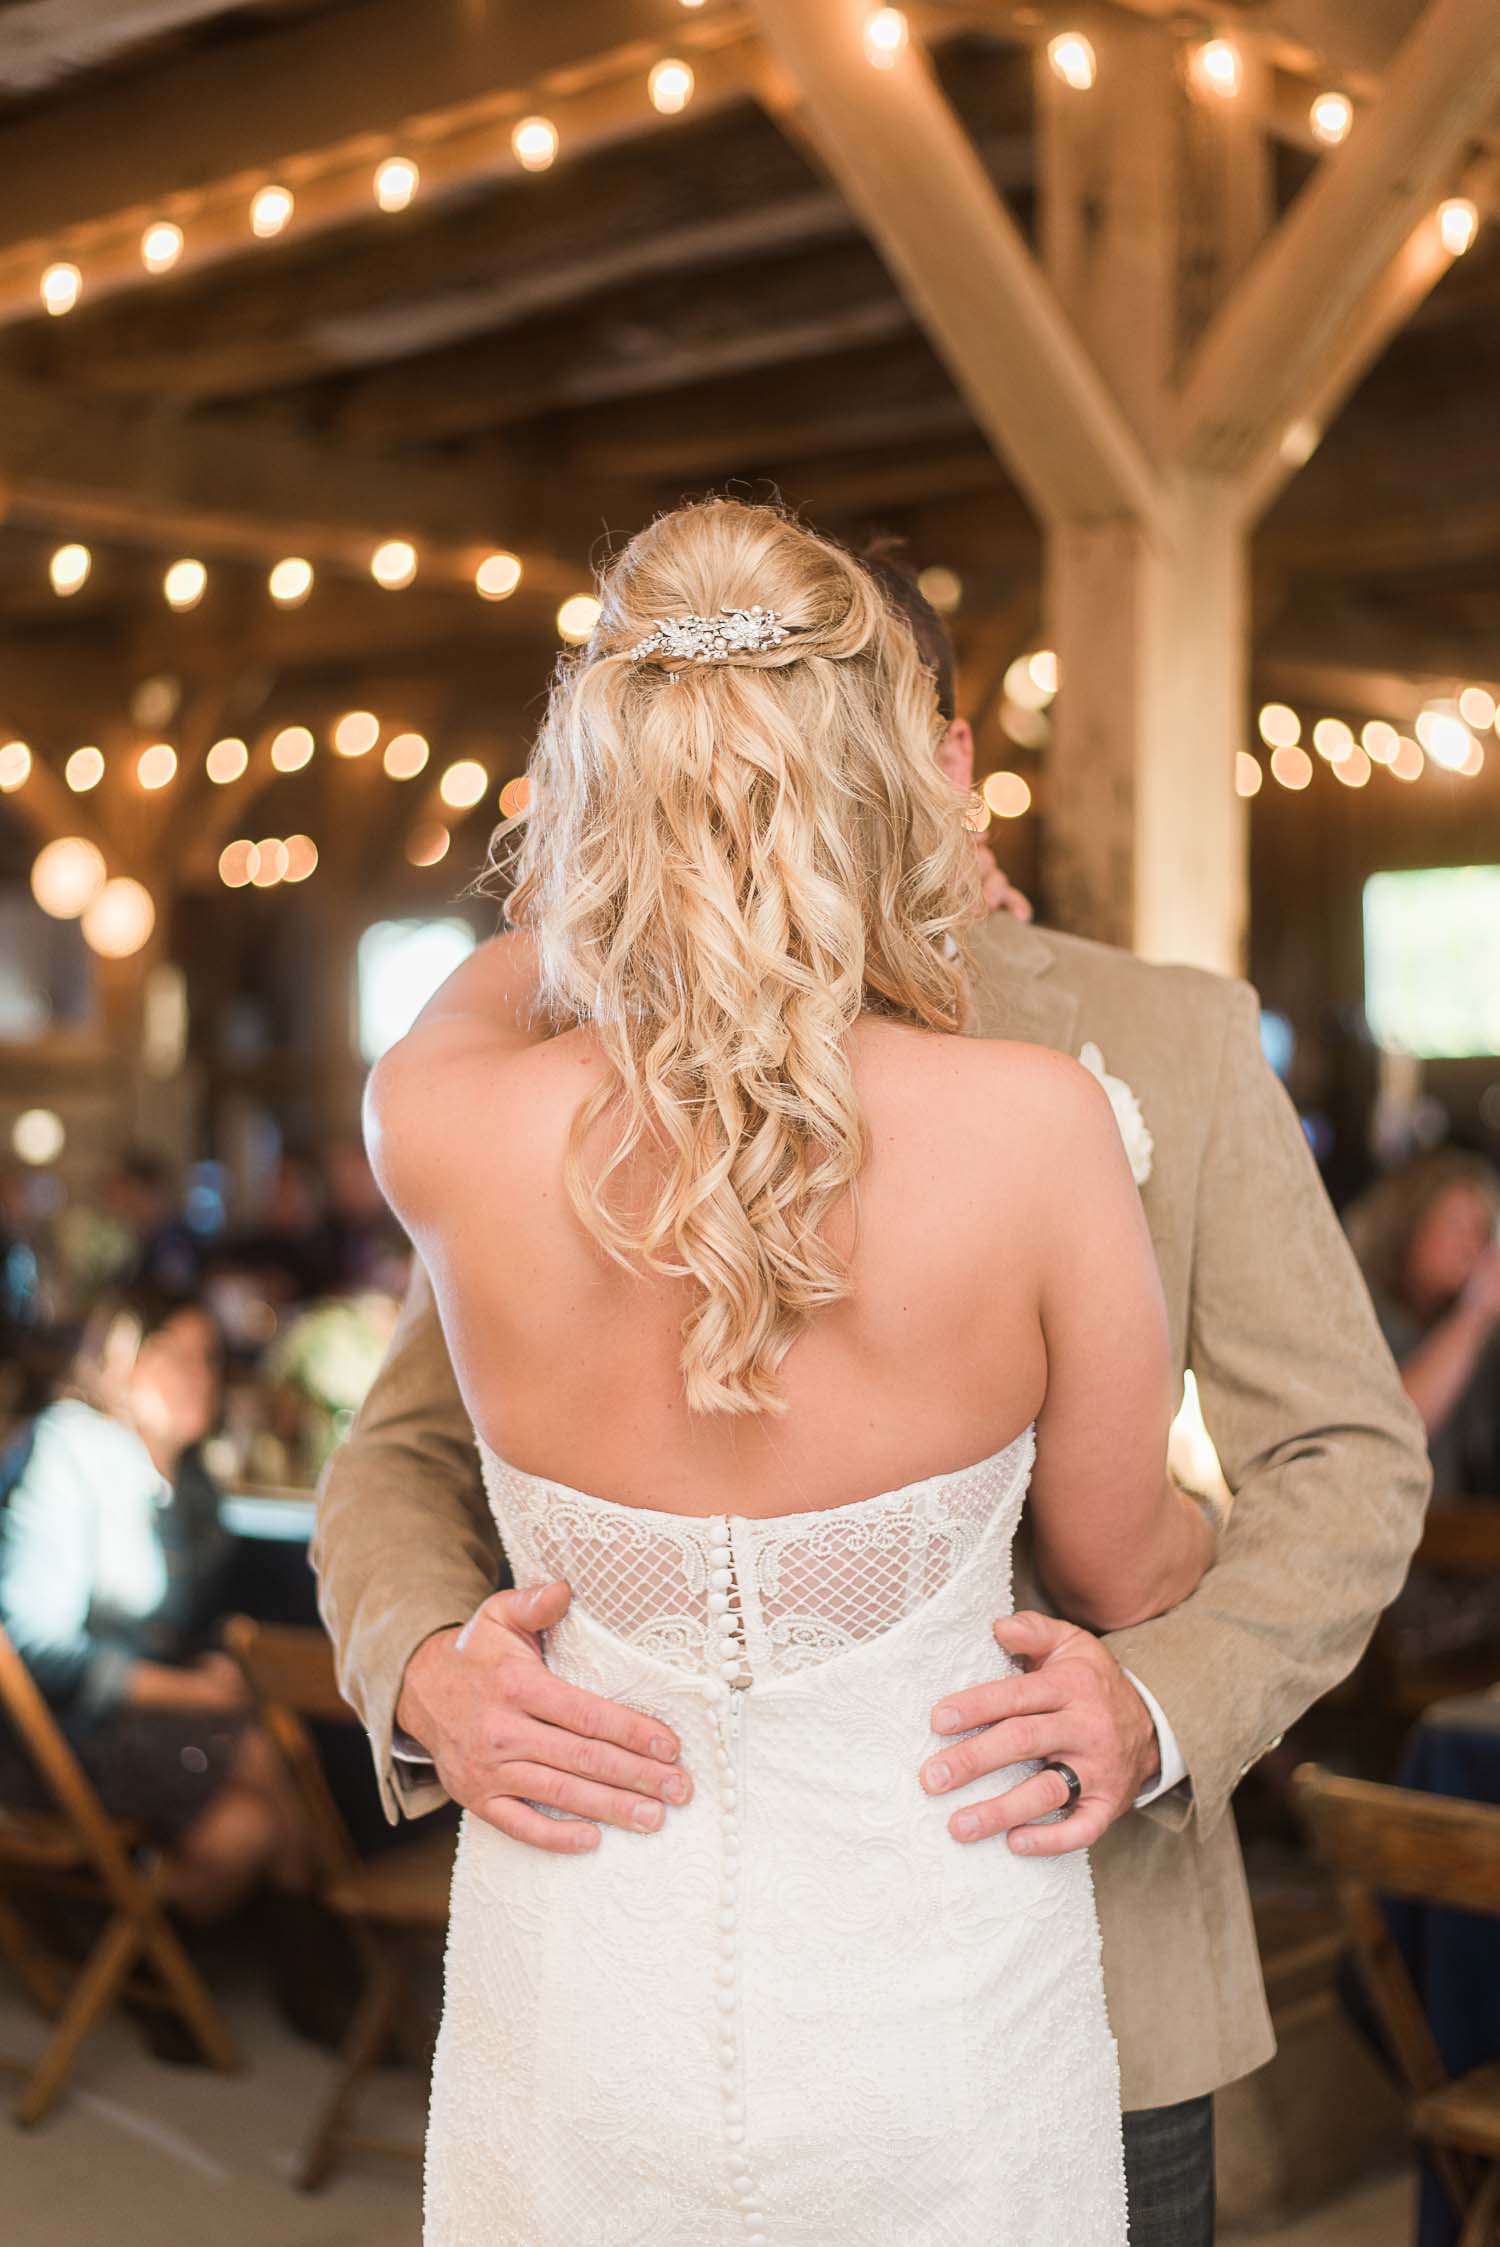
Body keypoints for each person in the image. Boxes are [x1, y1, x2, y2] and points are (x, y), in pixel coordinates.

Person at [316, 505, 1432, 2247]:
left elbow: (1356, 1460)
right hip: (791, 1958)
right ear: (888, 775)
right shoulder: (1021, 1127)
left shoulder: (1168, 1037)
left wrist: (1166, 1695)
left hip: (1071, 1945)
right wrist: (423, 1666)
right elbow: (396, 1457)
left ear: (957, 759)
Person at [0, 1288, 309, 1925]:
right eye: (173, 1354)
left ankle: (128, 1965)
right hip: (51, 1735)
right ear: (122, 1358)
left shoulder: (191, 1483)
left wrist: (210, 1671)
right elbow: (27, 1645)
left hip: (145, 1728)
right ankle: (334, 1952)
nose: (198, 1377)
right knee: (266, 1750)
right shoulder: (70, 1449)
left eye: (210, 1359)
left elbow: (190, 1628)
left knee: (243, 1831)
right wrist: (187, 1691)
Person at [1346, 1151, 1500, 1497]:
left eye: (1481, 1232)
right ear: (1408, 1225)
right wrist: (1474, 1315)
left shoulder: (1465, 1330)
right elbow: (1398, 1424)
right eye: (1456, 1225)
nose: (1470, 1247)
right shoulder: (1361, 1312)